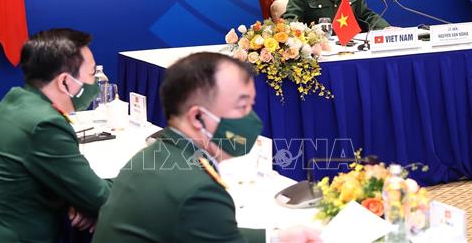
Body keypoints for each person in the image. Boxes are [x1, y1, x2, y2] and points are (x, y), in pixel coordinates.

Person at [93, 52, 320, 243]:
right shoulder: (198, 191)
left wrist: (275, 238)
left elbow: (206, 231)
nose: (252, 119)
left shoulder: (154, 156)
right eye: (241, 107)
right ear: (198, 117)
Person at [0, 28, 111, 242]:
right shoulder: (45, 125)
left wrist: (79, 199)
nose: (94, 83)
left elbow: (83, 191)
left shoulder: (16, 100)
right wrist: (121, 183)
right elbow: (101, 198)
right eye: (91, 74)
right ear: (65, 82)